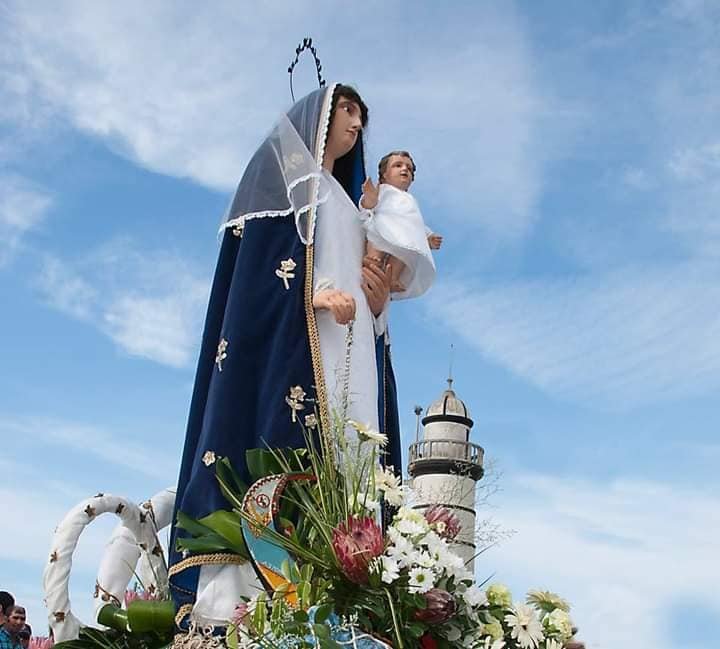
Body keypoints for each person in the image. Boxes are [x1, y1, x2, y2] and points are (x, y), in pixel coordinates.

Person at [168, 83, 400, 629]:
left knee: (354, 461)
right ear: (318, 115)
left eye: (361, 115)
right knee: (289, 458)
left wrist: (378, 301)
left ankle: (343, 604)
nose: (356, 123)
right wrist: (311, 295)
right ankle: (253, 608)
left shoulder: (346, 203)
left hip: (351, 355)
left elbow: (366, 278)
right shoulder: (289, 190)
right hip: (298, 352)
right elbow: (255, 278)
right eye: (346, 109)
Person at [360, 151, 442, 298]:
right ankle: (372, 259)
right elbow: (368, 206)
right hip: (383, 225)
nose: (404, 169)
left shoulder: (410, 200)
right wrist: (369, 199)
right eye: (398, 165)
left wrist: (427, 237)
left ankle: (393, 276)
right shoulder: (383, 190)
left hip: (402, 234)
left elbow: (415, 223)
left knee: (407, 250)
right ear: (384, 174)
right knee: (375, 238)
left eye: (409, 169)